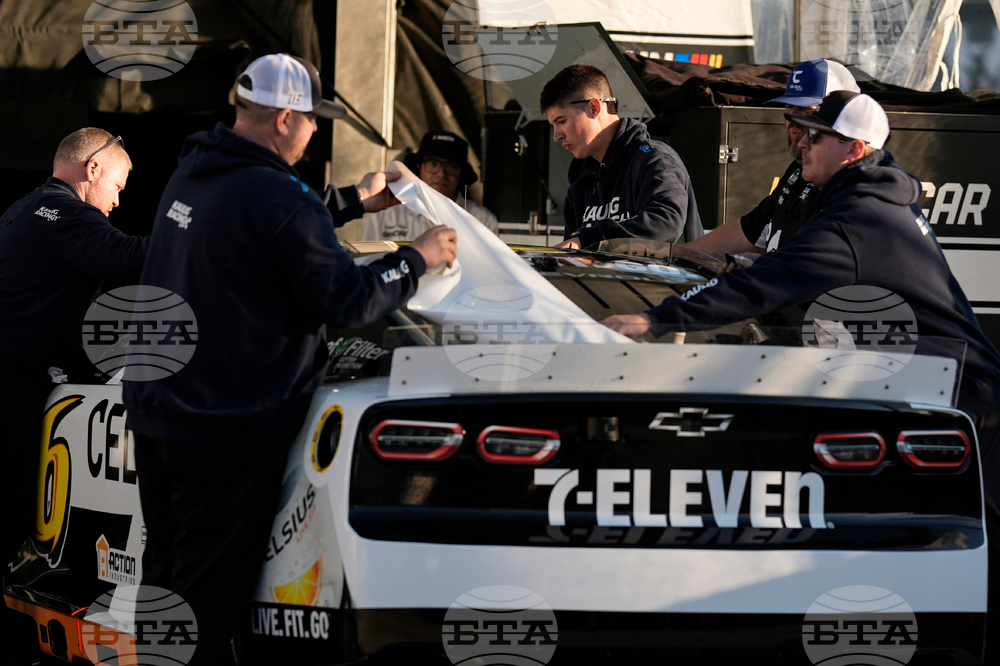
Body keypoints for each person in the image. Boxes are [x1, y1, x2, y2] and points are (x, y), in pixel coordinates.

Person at [602, 92, 1000, 659]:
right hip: (949, 402)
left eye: (817, 135)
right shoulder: (870, 202)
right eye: (803, 131)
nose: (802, 141)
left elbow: (763, 285)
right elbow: (774, 272)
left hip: (970, 414)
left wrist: (656, 318)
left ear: (855, 149)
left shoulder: (856, 220)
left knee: (974, 576)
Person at [122, 54, 457, 666]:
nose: (313, 132)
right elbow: (347, 297)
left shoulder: (195, 171)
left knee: (167, 583)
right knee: (202, 603)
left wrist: (351, 200)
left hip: (159, 416)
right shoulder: (278, 197)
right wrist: (417, 257)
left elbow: (259, 223)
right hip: (224, 429)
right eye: (311, 121)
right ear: (283, 119)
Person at [0, 127, 147, 652]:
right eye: (119, 185)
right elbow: (132, 256)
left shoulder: (24, 208)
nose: (116, 199)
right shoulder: (67, 216)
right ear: (92, 170)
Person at [683, 59, 860, 261]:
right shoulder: (798, 170)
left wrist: (759, 267)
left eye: (807, 112)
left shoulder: (851, 190)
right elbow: (749, 231)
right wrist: (677, 253)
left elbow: (816, 268)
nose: (793, 122)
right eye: (790, 109)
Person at [540, 63, 703, 249]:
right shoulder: (580, 183)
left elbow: (665, 224)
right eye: (553, 125)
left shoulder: (654, 160)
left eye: (562, 121)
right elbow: (575, 253)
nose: (556, 136)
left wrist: (588, 239)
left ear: (594, 108)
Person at [363, 131, 498, 240]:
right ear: (419, 167)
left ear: (462, 173)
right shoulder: (385, 215)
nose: (441, 173)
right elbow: (366, 265)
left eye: (451, 166)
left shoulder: (482, 221)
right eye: (433, 164)